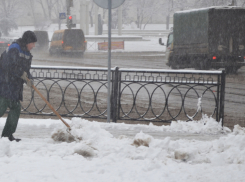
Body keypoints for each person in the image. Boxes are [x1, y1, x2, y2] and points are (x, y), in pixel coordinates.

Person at [0, 30, 37, 142]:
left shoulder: (27, 54)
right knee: (1, 107)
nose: (34, 46)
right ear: (28, 41)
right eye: (33, 43)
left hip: (15, 87)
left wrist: (29, 79)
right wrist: (21, 74)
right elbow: (7, 65)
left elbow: (25, 70)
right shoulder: (14, 48)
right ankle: (7, 135)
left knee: (15, 108)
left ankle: (7, 135)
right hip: (5, 84)